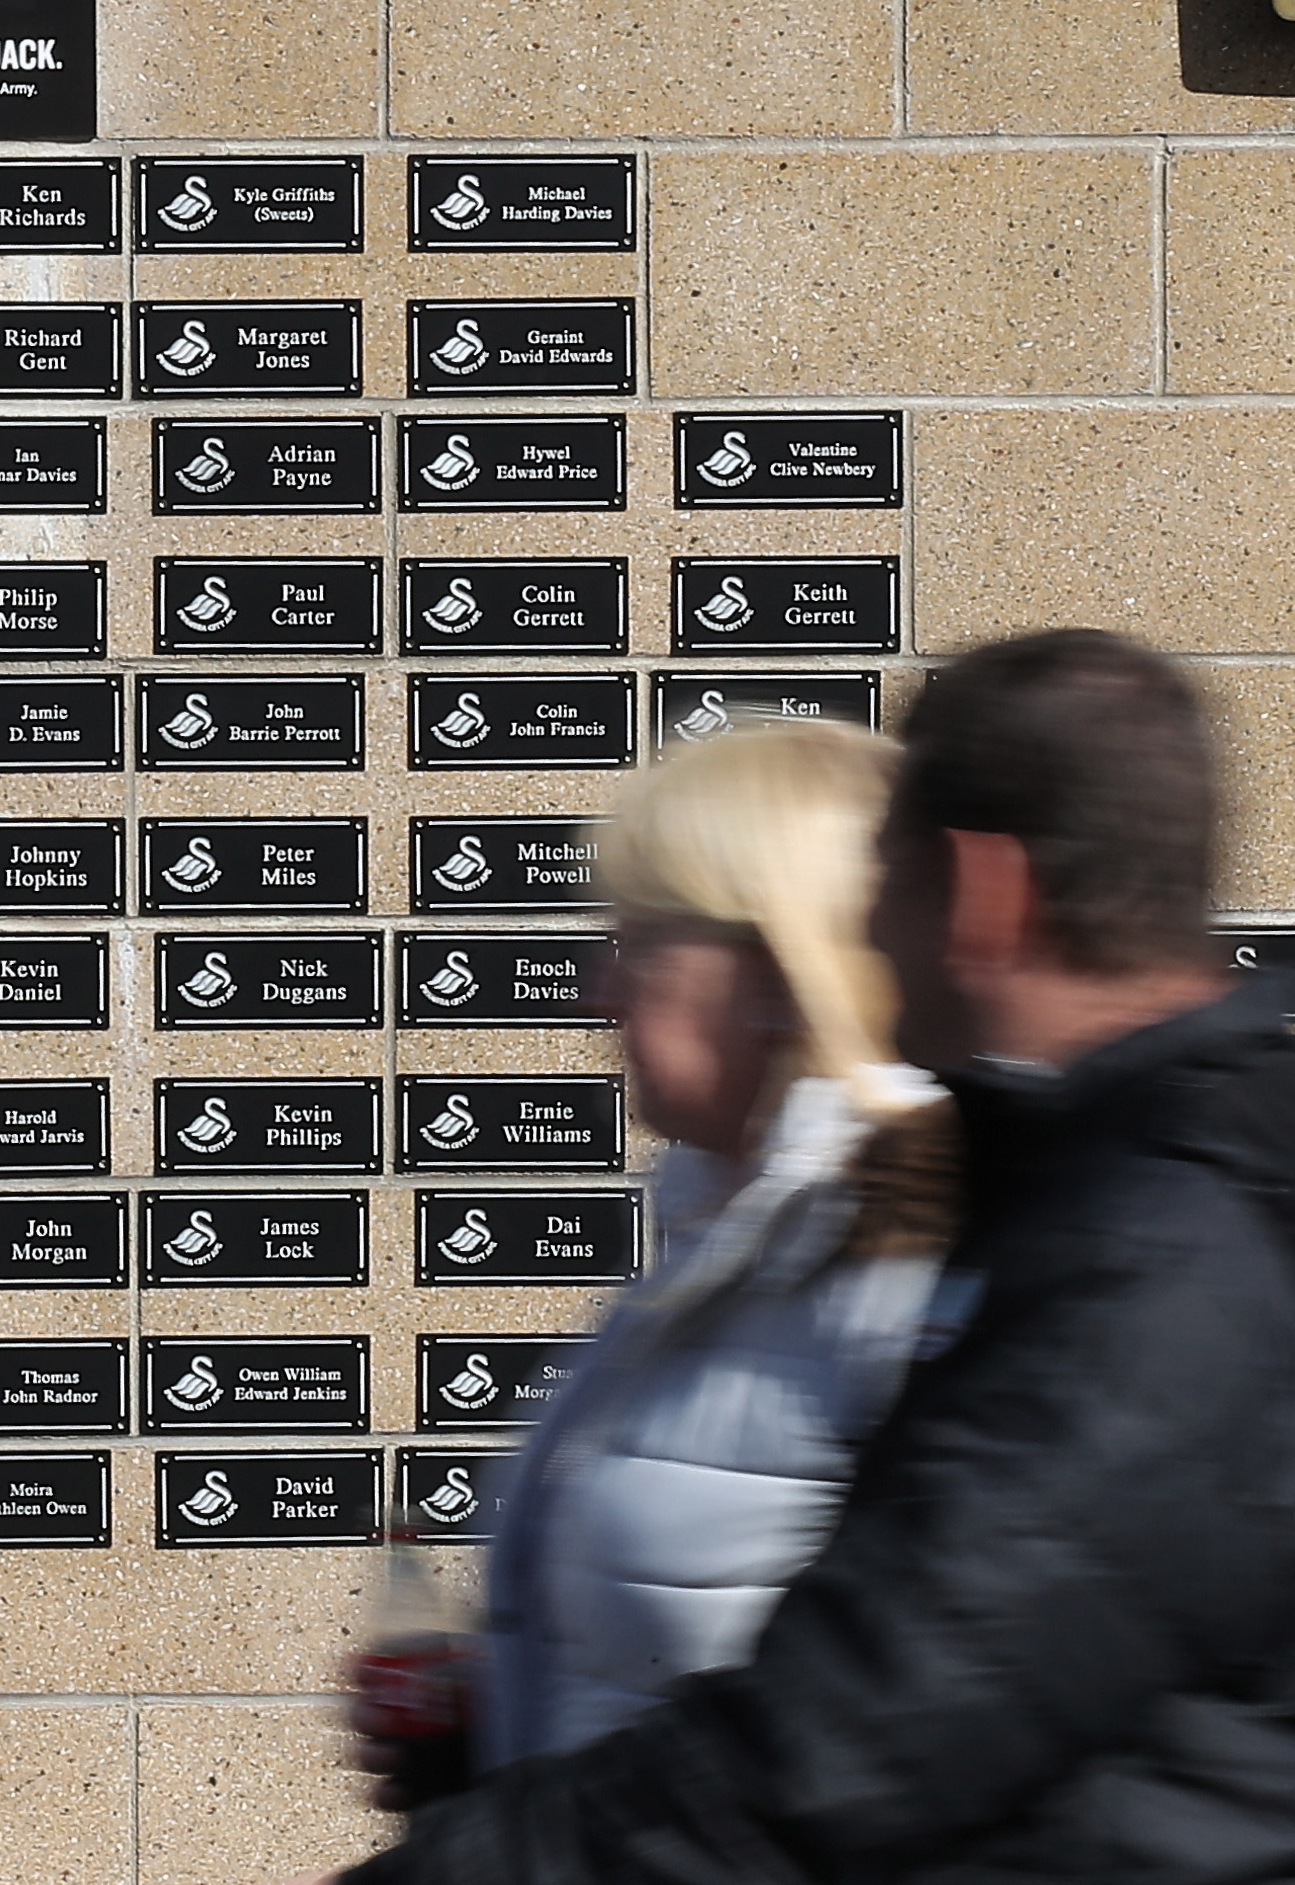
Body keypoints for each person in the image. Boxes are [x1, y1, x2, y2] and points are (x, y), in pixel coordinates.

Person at [337, 629, 1295, 1885]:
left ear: (982, 893)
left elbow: (845, 1736)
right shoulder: (1088, 1197)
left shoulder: (1161, 1262)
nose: (863, 934)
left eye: (882, 883)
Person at [362, 722, 952, 1799]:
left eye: (643, 944)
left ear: (780, 965)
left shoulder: (911, 1249)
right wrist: (494, 1721)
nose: (601, 992)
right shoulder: (711, 1234)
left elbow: (900, 1736)